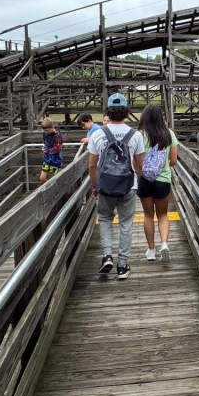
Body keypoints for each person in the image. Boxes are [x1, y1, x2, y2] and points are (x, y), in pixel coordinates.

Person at [87, 93, 144, 280]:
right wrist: (137, 181)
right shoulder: (136, 135)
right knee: (126, 223)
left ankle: (106, 256)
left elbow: (92, 165)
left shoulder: (97, 134)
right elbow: (139, 164)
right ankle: (122, 266)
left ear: (108, 112)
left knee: (104, 218)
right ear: (126, 111)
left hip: (105, 185)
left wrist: (95, 185)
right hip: (128, 184)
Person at [137, 104, 179, 262]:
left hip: (144, 180)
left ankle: (151, 251)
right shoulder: (169, 134)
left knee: (148, 215)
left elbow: (136, 160)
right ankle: (164, 243)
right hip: (163, 180)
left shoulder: (139, 135)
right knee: (162, 215)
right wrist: (163, 165)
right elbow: (174, 161)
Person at [40, 117, 63, 183]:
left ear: (52, 127)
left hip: (55, 159)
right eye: (44, 130)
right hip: (47, 159)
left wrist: (48, 150)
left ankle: (55, 192)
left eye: (47, 130)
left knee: (54, 180)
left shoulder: (57, 136)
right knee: (42, 178)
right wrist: (43, 148)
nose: (46, 132)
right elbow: (45, 144)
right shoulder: (45, 134)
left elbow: (58, 149)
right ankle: (47, 191)